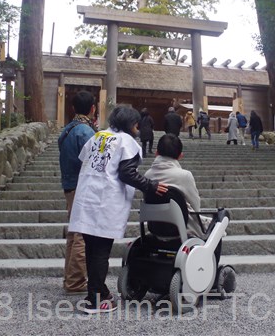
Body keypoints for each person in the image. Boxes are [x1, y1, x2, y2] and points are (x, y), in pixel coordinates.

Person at [69, 105, 168, 314]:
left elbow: (83, 161)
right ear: (133, 124)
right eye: (136, 125)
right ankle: (95, 300)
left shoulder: (98, 136)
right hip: (105, 201)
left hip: (87, 198)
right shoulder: (127, 142)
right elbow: (127, 173)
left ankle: (98, 291)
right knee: (101, 252)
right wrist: (151, 186)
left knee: (91, 249)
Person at [58, 90, 97, 295]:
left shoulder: (67, 130)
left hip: (69, 185)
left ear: (73, 108)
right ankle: (76, 281)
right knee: (82, 234)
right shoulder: (86, 132)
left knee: (74, 235)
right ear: (93, 108)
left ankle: (71, 279)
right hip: (82, 186)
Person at [144, 134, 206, 239]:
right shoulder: (184, 176)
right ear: (180, 156)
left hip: (155, 226)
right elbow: (196, 206)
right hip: (180, 227)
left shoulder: (147, 176)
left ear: (156, 153)